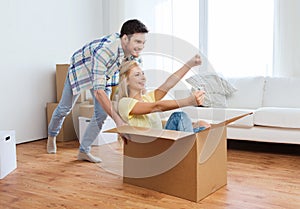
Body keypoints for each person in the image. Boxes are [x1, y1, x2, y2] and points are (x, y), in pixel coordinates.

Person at [47, 19, 149, 163]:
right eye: (138, 42)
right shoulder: (105, 51)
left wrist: (142, 88)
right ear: (125, 38)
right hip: (82, 71)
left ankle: (84, 151)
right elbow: (98, 92)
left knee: (100, 115)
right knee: (64, 108)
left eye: (143, 42)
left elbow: (134, 73)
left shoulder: (133, 53)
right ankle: (52, 135)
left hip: (104, 74)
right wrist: (118, 121)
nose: (141, 46)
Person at [116, 55, 211, 133]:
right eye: (137, 75)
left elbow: (168, 84)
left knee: (205, 127)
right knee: (179, 116)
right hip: (152, 147)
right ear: (126, 81)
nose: (143, 78)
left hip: (163, 141)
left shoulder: (148, 98)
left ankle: (190, 148)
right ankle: (188, 153)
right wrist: (188, 101)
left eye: (143, 74)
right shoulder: (124, 103)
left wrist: (189, 64)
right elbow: (156, 107)